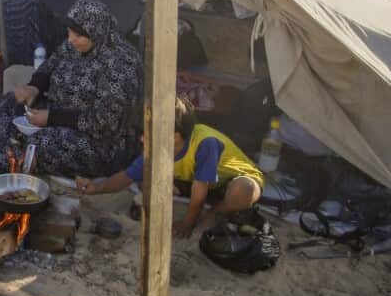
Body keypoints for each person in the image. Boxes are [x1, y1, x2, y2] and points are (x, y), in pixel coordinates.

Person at [0, 0, 141, 179]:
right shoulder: (75, 44)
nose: (70, 40)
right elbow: (50, 65)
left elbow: (105, 123)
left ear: (97, 31)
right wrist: (34, 87)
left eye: (77, 35)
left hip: (102, 143)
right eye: (69, 32)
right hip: (57, 114)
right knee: (11, 101)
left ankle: (12, 167)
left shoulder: (121, 64)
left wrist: (51, 118)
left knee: (41, 144)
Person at [76, 96, 265, 238]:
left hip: (233, 182)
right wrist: (97, 188)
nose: (142, 139)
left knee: (244, 190)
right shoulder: (158, 147)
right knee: (144, 180)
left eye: (146, 134)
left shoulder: (206, 143)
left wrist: (187, 223)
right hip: (196, 182)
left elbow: (200, 188)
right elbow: (127, 177)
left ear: (174, 136)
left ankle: (215, 212)